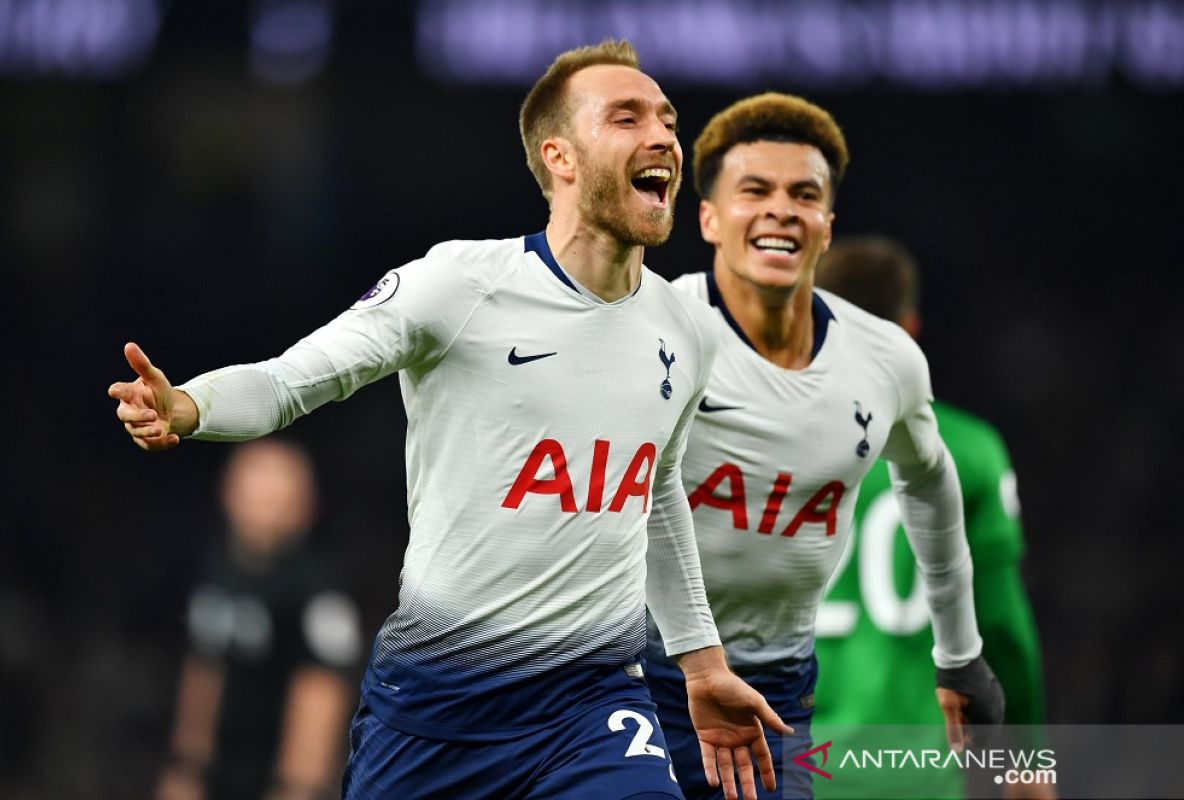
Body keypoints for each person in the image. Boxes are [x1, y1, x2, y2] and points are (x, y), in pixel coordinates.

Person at [109, 40, 790, 800]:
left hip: (591, 703)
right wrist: (190, 404)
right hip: (435, 710)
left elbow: (656, 494)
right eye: (627, 117)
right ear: (559, 156)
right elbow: (289, 381)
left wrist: (701, 663)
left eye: (667, 118)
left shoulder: (687, 328)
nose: (663, 135)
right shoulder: (461, 285)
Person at [643, 93, 1003, 800]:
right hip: (629, 673)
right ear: (710, 218)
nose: (781, 208)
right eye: (755, 191)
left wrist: (960, 658)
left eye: (802, 194)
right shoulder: (647, 329)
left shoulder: (884, 359)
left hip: (776, 686)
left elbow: (930, 484)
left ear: (826, 226)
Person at [812, 236, 1051, 799]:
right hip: (913, 776)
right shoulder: (969, 453)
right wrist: (1029, 768)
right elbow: (1003, 632)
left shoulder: (758, 444)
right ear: (910, 330)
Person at [156, 439, 362, 800]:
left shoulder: (318, 591)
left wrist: (296, 787)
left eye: (278, 495)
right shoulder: (215, 571)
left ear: (305, 507)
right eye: (256, 488)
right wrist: (184, 768)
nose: (265, 504)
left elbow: (321, 693)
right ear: (229, 494)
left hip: (276, 780)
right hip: (220, 774)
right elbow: (204, 670)